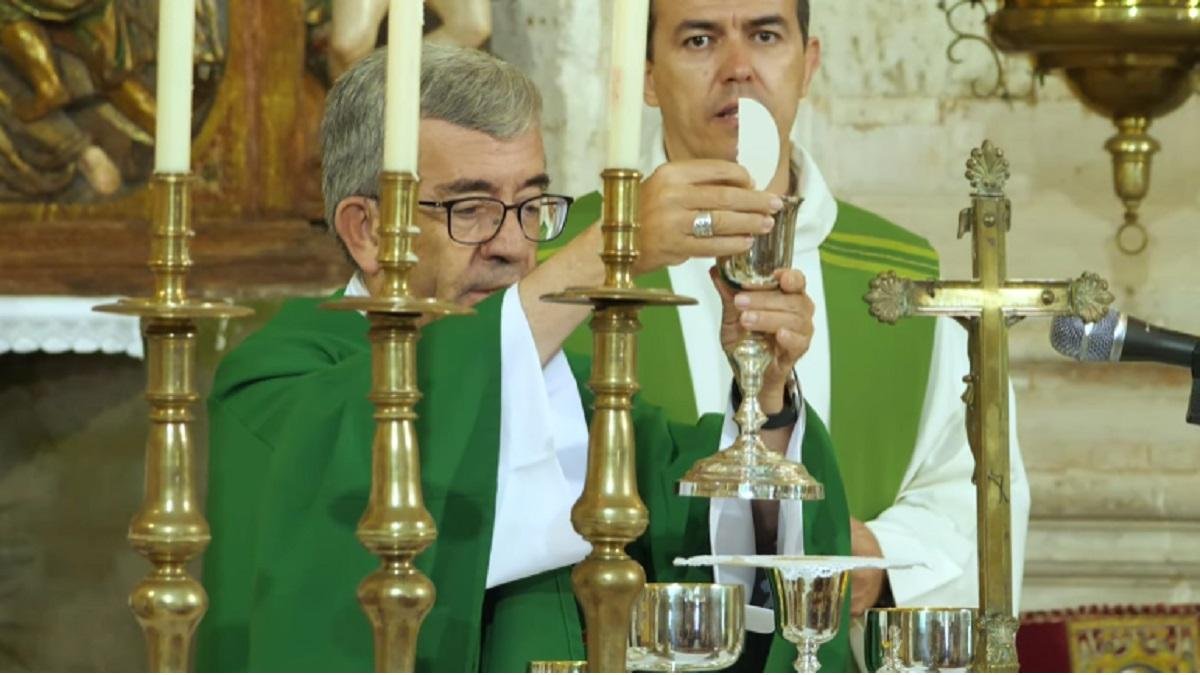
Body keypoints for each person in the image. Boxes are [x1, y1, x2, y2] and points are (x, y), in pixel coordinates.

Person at [195, 43, 850, 672]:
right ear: (366, 230)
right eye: (472, 209)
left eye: (532, 205)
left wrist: (764, 401)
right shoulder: (272, 381)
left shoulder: (576, 394)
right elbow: (355, 527)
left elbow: (712, 562)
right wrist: (613, 244)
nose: (513, 245)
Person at [550, 0, 1031, 657]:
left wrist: (881, 558)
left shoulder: (896, 276)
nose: (738, 68)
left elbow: (975, 491)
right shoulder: (568, 259)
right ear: (648, 77)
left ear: (808, 64)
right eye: (698, 39)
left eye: (766, 35)